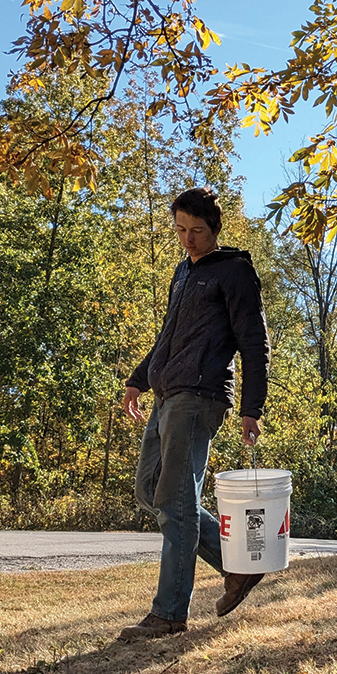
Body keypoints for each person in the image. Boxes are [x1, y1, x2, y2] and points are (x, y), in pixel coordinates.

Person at [118, 187, 271, 640]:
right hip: (166, 392)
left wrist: (252, 407)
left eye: (197, 230)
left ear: (214, 228)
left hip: (199, 396)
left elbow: (254, 343)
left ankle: (168, 614)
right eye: (181, 229)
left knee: (176, 503)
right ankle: (236, 566)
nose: (188, 238)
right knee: (151, 491)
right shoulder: (183, 273)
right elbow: (169, 335)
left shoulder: (234, 271)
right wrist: (138, 377)